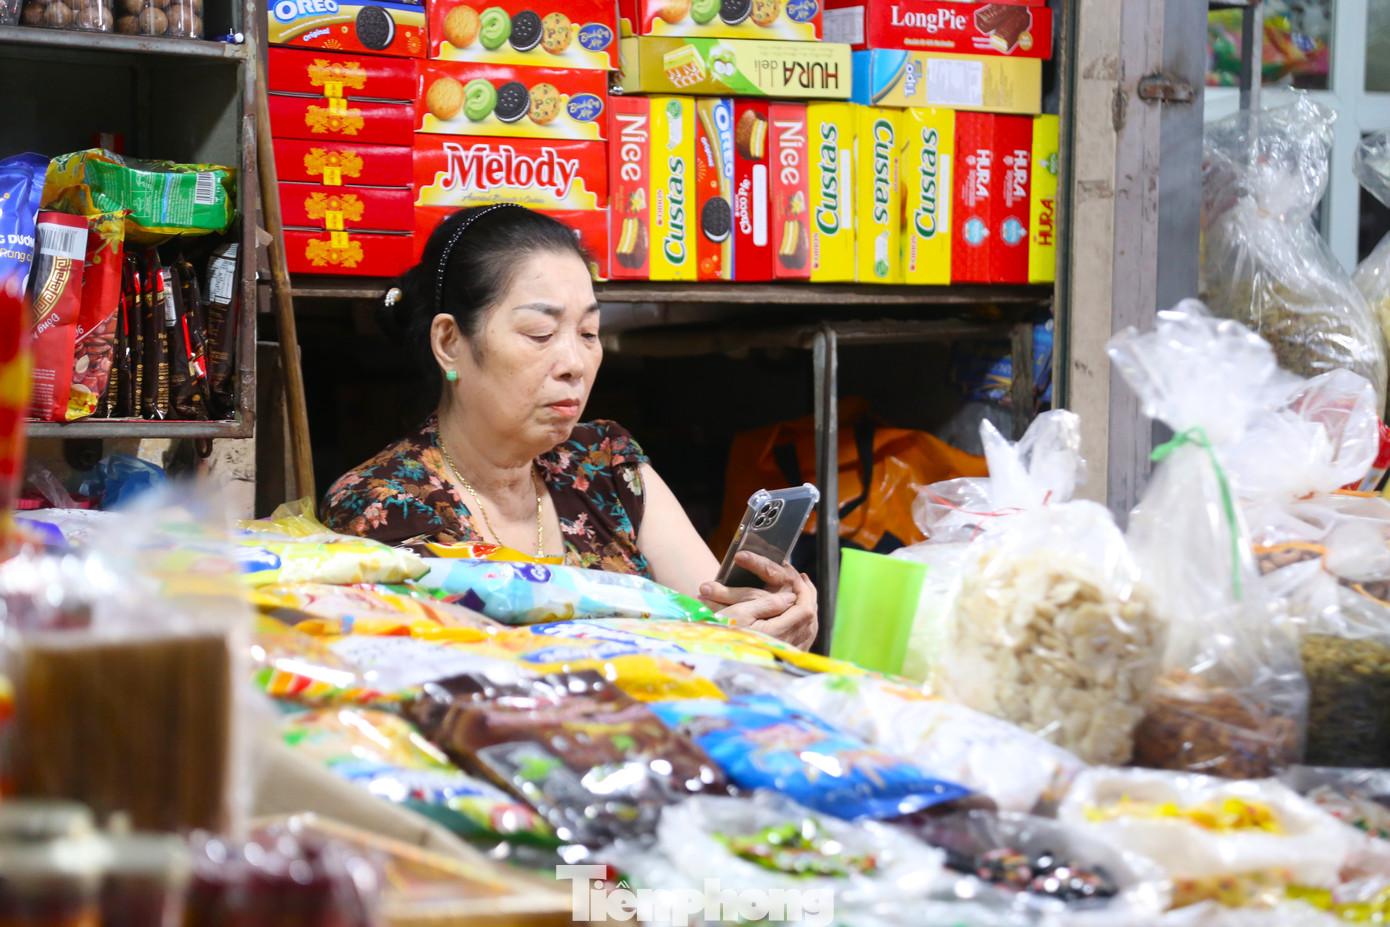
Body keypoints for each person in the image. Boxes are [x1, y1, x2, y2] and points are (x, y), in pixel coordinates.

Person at [321, 204, 818, 649]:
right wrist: (709, 643)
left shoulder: (603, 462)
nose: (575, 364)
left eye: (587, 333)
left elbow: (715, 608)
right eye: (540, 333)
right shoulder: (383, 506)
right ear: (451, 342)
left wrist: (771, 621)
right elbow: (475, 674)